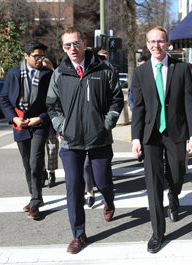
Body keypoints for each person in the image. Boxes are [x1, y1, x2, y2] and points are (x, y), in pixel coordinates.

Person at [47, 27, 124, 254]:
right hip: (71, 142)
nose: (72, 48)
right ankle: (78, 235)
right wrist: (61, 126)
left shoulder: (104, 68)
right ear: (63, 47)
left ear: (85, 43)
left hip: (99, 138)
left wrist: (106, 123)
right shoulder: (59, 74)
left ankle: (109, 201)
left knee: (102, 182)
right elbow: (52, 105)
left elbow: (116, 100)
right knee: (74, 188)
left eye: (76, 43)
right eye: (67, 45)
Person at [131, 26, 192, 254]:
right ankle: (157, 233)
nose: (156, 45)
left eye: (160, 41)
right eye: (152, 41)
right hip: (150, 135)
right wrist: (135, 138)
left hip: (176, 132)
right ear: (147, 43)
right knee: (153, 184)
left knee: (177, 176)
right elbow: (138, 108)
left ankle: (174, 195)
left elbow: (190, 102)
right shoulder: (140, 73)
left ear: (168, 43)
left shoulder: (181, 69)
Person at [0, 40, 53, 220]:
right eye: (35, 56)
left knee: (36, 160)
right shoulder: (14, 73)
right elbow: (4, 99)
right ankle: (34, 197)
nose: (39, 60)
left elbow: (54, 102)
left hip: (39, 122)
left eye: (42, 56)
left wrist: (41, 118)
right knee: (26, 163)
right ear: (26, 56)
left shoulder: (48, 74)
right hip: (20, 123)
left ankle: (35, 202)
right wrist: (14, 118)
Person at [41, 58, 58, 188]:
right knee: (39, 150)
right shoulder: (36, 81)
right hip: (39, 119)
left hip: (51, 119)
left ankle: (51, 173)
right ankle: (42, 172)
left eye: (46, 67)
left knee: (52, 149)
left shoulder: (54, 79)